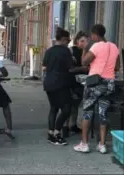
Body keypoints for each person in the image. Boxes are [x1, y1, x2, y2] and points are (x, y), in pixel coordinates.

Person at [74, 24, 120, 153]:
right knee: (103, 113)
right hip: (109, 84)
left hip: (94, 83)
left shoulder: (96, 46)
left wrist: (84, 49)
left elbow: (84, 62)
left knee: (87, 112)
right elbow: (117, 67)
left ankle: (84, 144)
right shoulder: (114, 46)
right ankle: (102, 145)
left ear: (94, 34)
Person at [43, 27, 73, 145]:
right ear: (64, 39)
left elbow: (44, 67)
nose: (69, 43)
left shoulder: (49, 51)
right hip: (60, 83)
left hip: (49, 82)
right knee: (66, 109)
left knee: (54, 108)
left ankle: (50, 133)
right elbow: (70, 67)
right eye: (68, 40)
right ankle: (57, 133)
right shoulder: (66, 51)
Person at [63, 31, 89, 137]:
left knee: (76, 104)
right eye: (82, 41)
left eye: (86, 41)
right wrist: (81, 68)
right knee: (68, 104)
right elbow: (68, 68)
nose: (84, 43)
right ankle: (65, 126)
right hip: (70, 81)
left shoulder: (88, 52)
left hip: (82, 82)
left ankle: (73, 125)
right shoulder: (71, 51)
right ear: (77, 41)